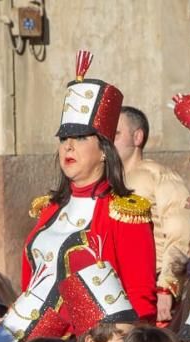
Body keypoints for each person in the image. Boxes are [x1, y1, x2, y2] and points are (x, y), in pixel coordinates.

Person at [23, 51, 156, 322]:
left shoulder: (124, 213)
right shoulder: (48, 209)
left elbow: (140, 300)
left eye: (81, 137)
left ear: (104, 150)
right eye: (64, 138)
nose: (68, 146)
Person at [114, 106, 190, 323]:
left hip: (151, 288)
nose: (108, 141)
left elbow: (179, 234)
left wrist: (166, 288)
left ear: (137, 136)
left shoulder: (160, 176)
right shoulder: (105, 182)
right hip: (113, 288)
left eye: (116, 134)